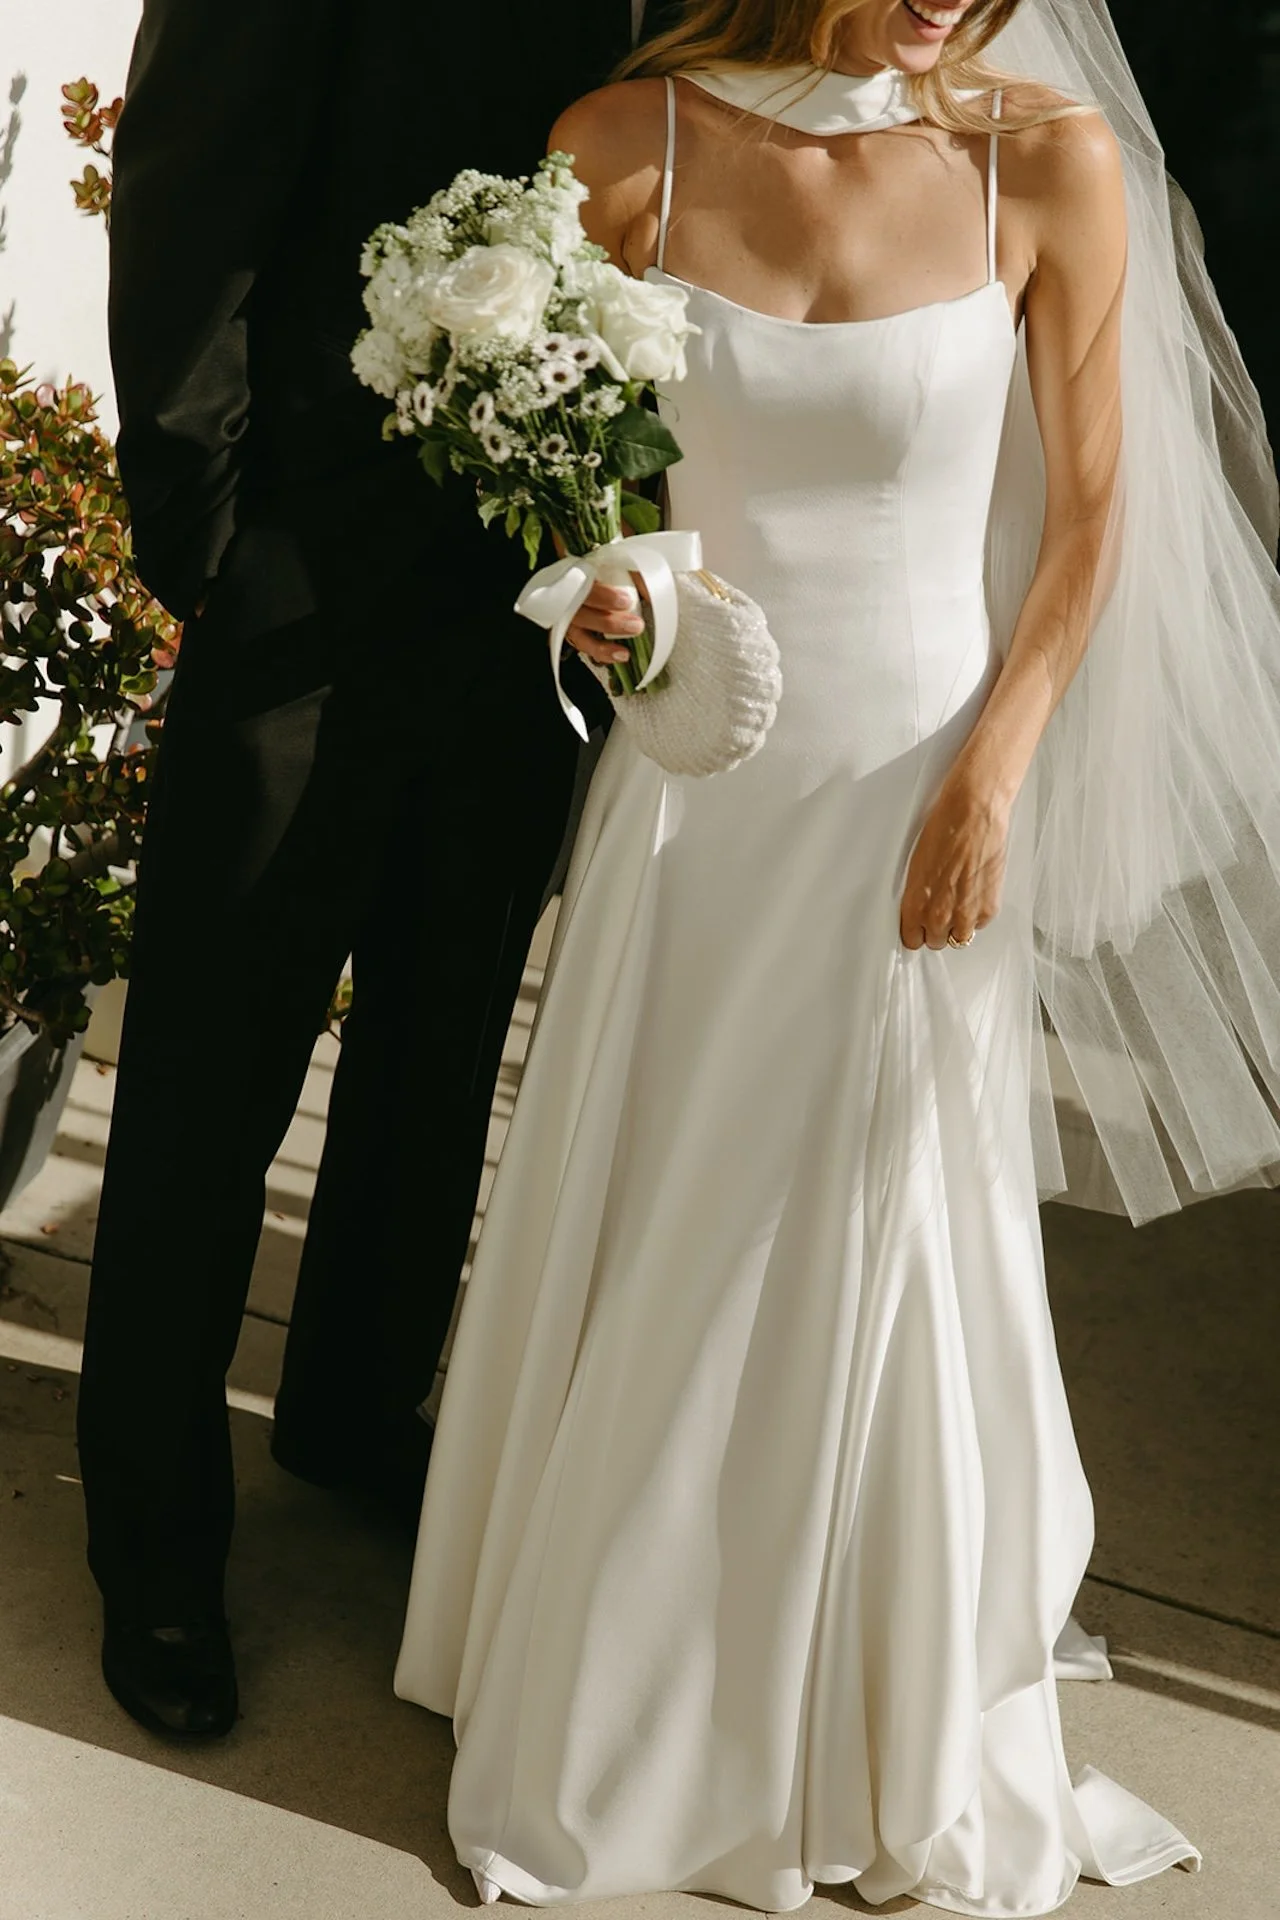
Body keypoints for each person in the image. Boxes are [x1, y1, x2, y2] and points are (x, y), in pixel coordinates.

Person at [393, 0, 1280, 1907]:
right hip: (698, 783)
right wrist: (610, 587)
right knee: (672, 1208)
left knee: (869, 1224)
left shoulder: (1043, 162)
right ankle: (623, 1688)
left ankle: (851, 1710)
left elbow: (1094, 511)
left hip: (918, 790)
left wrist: (995, 784)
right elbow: (570, 472)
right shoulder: (624, 147)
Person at [75, 0, 675, 1744]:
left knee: (440, 1051)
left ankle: (346, 1416)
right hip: (303, 581)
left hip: (542, 614)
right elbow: (188, 188)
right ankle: (157, 1535)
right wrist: (213, 540)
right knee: (211, 1073)